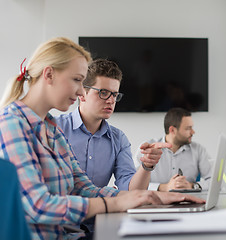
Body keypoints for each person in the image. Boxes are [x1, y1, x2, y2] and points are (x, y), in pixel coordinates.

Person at [0, 37, 204, 239]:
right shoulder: (12, 123)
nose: (80, 91)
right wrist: (113, 203)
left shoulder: (51, 127)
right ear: (49, 74)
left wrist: (153, 196)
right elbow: (39, 205)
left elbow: (82, 186)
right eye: (77, 80)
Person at [56, 58, 160, 190]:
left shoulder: (118, 139)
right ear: (82, 93)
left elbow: (130, 190)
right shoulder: (55, 128)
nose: (111, 100)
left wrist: (146, 166)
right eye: (103, 93)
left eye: (115, 94)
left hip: (102, 208)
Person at [134, 107, 212, 191]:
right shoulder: (148, 149)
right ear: (172, 130)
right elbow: (133, 184)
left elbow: (216, 181)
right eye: (188, 128)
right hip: (154, 201)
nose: (193, 132)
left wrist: (192, 186)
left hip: (188, 201)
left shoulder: (198, 150)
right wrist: (164, 187)